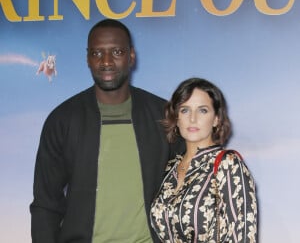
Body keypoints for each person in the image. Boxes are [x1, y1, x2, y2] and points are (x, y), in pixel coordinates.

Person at [30, 19, 183, 243]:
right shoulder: (62, 121)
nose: (107, 62)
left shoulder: (163, 116)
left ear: (131, 56)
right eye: (97, 53)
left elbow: (193, 187)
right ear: (87, 59)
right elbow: (46, 204)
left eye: (117, 52)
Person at [150, 77, 258, 242]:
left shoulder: (228, 164)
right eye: (185, 110)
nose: (192, 118)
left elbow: (243, 236)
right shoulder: (169, 169)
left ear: (216, 119)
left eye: (202, 110)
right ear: (176, 117)